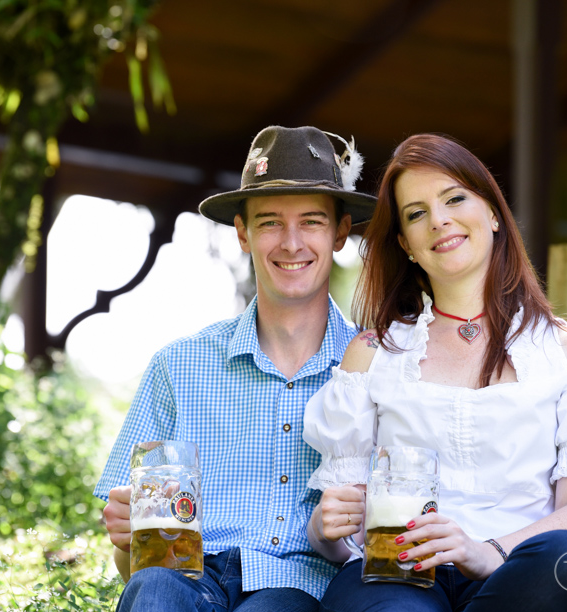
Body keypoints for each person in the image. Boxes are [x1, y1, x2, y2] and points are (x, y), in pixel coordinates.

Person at [302, 133, 567, 612]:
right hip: (398, 574)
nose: (439, 220)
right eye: (416, 213)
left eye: (454, 198)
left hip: (520, 573)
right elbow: (347, 524)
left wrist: (488, 552)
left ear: (492, 214)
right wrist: (325, 532)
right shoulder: (373, 355)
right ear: (406, 244)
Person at [94, 125, 376, 612]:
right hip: (186, 576)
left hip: (297, 588)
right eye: (269, 222)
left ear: (340, 233)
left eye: (311, 221)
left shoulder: (375, 371)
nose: (291, 244)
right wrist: (127, 540)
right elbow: (132, 571)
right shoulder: (178, 366)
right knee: (154, 590)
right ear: (243, 233)